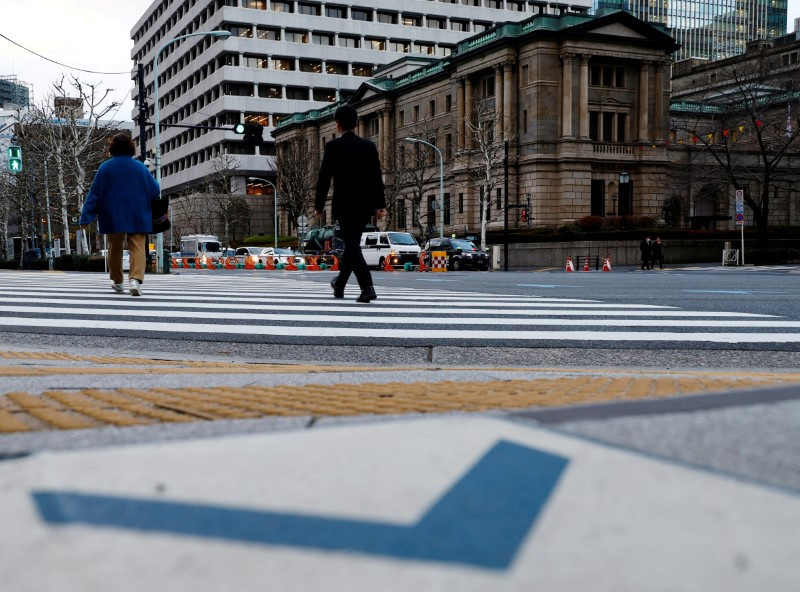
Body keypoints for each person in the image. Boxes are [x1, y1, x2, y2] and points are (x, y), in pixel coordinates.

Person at [314, 105, 386, 303]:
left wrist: (319, 205)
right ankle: (340, 284)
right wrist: (380, 205)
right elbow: (376, 178)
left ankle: (367, 286)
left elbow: (324, 178)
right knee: (352, 245)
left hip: (344, 205)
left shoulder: (333, 147)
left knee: (352, 245)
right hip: (364, 205)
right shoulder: (369, 146)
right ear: (355, 123)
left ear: (337, 123)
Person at [80, 133, 161, 296]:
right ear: (131, 148)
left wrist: (86, 217)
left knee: (114, 247)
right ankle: (135, 280)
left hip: (113, 213)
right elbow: (155, 190)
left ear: (113, 148)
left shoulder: (105, 168)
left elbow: (94, 194)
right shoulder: (140, 167)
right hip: (138, 213)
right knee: (138, 245)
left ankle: (117, 281)